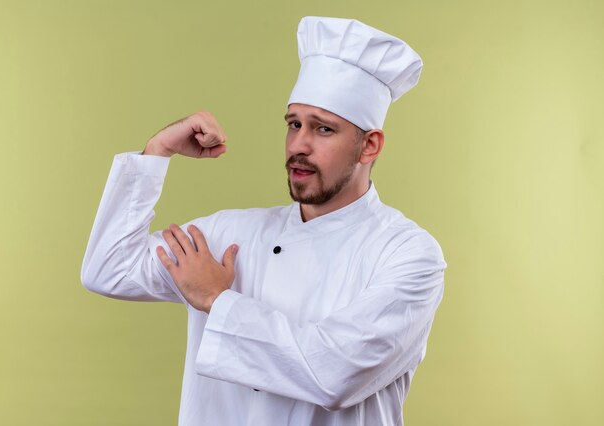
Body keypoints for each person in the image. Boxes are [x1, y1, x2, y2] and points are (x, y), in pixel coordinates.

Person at [82, 16, 446, 426]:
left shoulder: (409, 254)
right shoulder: (232, 235)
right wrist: (156, 153)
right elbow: (109, 269)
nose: (299, 146)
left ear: (369, 145)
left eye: (323, 129)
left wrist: (217, 301)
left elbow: (334, 375)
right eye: (294, 124)